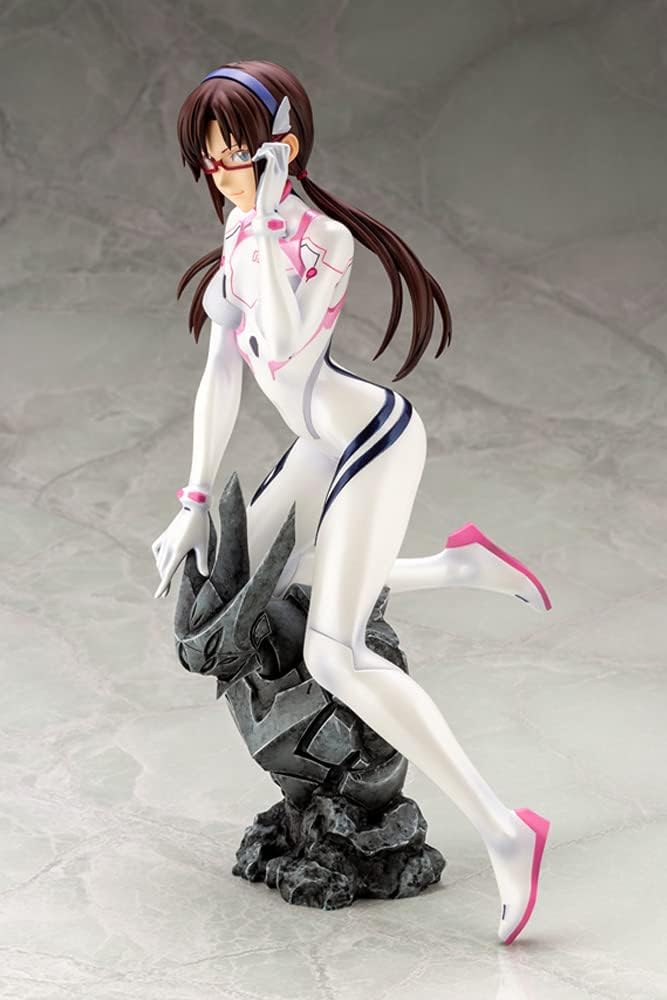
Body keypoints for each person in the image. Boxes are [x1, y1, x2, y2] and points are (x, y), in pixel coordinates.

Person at [152, 60, 551, 944]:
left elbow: (287, 345)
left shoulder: (318, 239)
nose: (220, 173)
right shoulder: (238, 234)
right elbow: (221, 380)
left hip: (371, 437)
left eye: (236, 154)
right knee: (232, 588)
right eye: (209, 158)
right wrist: (191, 501)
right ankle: (455, 567)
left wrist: (265, 223)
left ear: (282, 150)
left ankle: (504, 830)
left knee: (333, 655)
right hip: (317, 445)